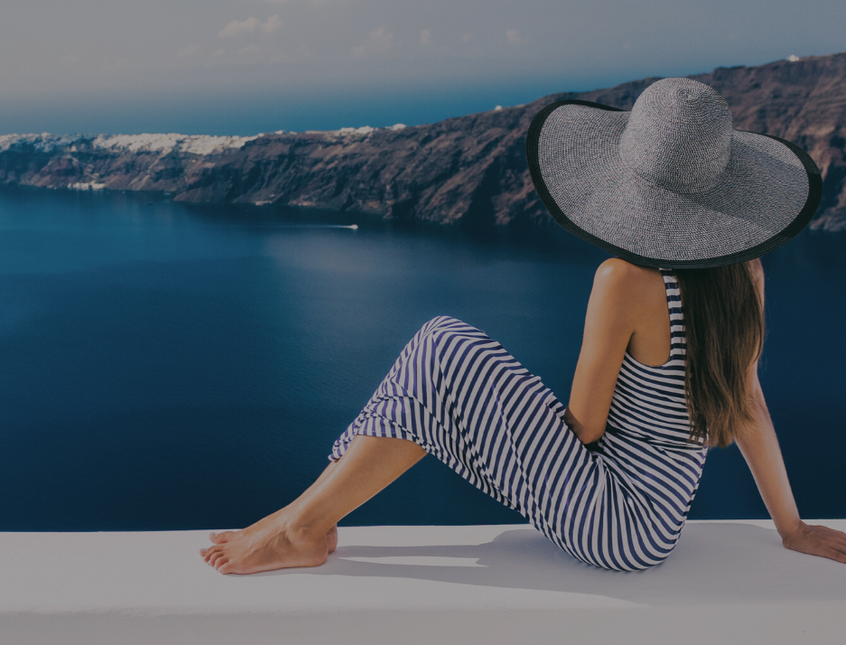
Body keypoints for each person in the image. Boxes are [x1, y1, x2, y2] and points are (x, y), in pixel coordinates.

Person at [201, 78, 846, 574]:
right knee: (440, 360)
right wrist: (791, 528)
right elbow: (749, 401)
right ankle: (303, 516)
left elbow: (585, 428)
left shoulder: (625, 281)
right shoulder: (745, 274)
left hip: (613, 522)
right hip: (659, 525)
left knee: (441, 351)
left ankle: (303, 527)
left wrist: (483, 418)